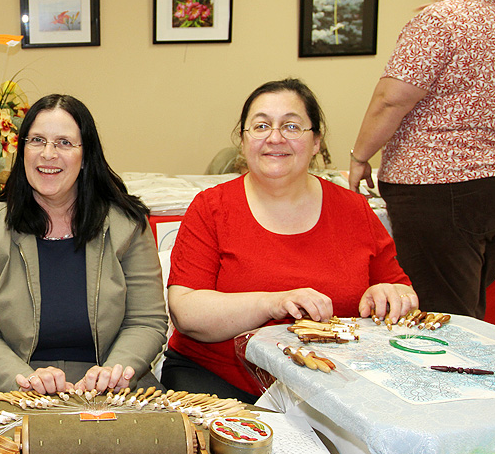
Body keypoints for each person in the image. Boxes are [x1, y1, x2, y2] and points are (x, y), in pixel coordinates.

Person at [165, 79, 416, 402]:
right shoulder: (211, 208)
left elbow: (402, 292)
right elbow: (186, 313)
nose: (275, 138)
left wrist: (390, 295)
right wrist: (273, 303)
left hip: (335, 387)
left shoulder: (354, 209)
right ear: (243, 140)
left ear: (316, 142)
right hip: (221, 383)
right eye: (261, 126)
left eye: (291, 126)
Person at [0, 94, 168, 404]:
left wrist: (114, 371)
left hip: (111, 388)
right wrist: (24, 379)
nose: (48, 154)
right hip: (8, 386)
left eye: (64, 143)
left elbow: (145, 321)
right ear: (22, 150)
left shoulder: (128, 225)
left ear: (86, 155)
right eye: (37, 140)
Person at [350, 0, 495, 319]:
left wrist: (361, 156)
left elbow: (391, 99)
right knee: (471, 301)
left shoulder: (441, 19)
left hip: (436, 186)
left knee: (440, 313)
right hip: (491, 184)